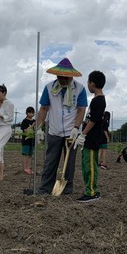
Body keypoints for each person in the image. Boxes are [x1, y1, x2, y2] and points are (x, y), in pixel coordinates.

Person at [36, 58, 87, 195]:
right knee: (50, 160)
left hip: (72, 132)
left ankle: (67, 188)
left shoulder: (80, 89)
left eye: (65, 77)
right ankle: (45, 187)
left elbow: (81, 110)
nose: (63, 80)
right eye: (60, 77)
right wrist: (39, 127)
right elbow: (43, 109)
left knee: (69, 162)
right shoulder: (49, 88)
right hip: (54, 130)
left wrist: (76, 128)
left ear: (71, 76)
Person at [74, 70, 106, 202]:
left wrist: (83, 134)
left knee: (91, 166)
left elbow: (93, 120)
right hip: (88, 138)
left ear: (92, 83)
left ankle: (92, 192)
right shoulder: (95, 100)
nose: (87, 85)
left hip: (92, 138)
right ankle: (89, 189)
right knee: (86, 165)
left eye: (88, 82)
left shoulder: (99, 101)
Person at [20, 106, 36, 175]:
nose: (31, 114)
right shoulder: (24, 121)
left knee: (30, 154)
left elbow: (36, 129)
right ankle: (25, 168)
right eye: (29, 112)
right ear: (26, 113)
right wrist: (30, 127)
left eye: (32, 113)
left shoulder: (34, 121)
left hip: (32, 141)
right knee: (25, 154)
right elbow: (24, 130)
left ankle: (29, 167)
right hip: (26, 141)